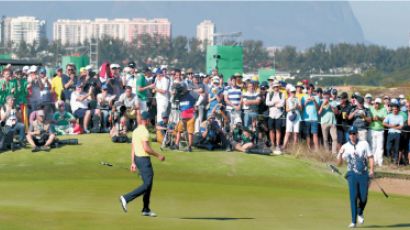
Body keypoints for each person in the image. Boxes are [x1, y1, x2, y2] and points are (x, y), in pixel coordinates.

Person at [119, 111, 165, 216]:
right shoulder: (144, 132)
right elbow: (146, 148)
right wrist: (159, 155)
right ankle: (125, 198)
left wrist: (133, 162)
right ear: (147, 120)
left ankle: (146, 209)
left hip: (137, 159)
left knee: (148, 183)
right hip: (144, 160)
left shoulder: (136, 131)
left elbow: (133, 148)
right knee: (147, 184)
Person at [337, 126, 374, 228]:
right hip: (351, 174)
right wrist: (340, 153)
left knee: (364, 198)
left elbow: (370, 157)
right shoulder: (345, 146)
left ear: (357, 134)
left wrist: (371, 170)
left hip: (363, 174)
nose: (352, 135)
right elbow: (339, 164)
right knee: (353, 197)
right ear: (348, 135)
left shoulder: (364, 144)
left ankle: (360, 212)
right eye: (351, 134)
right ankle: (353, 221)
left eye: (354, 133)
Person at [266, 79, 285, 154]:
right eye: (275, 87)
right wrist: (275, 103)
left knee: (278, 130)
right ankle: (273, 144)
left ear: (278, 87)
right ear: (273, 87)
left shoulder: (282, 94)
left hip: (279, 115)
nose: (276, 88)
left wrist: (274, 104)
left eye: (277, 87)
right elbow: (267, 103)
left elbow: (282, 104)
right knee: (271, 130)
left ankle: (277, 145)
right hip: (271, 114)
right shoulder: (269, 94)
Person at [301, 84, 320, 151]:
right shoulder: (303, 97)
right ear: (307, 90)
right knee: (307, 134)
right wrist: (306, 102)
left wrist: (314, 100)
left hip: (314, 119)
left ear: (313, 90)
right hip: (306, 119)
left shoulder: (317, 97)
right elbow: (301, 108)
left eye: (312, 89)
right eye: (309, 89)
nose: (310, 90)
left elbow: (318, 108)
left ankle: (317, 150)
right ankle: (309, 149)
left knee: (315, 134)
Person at [368, 98, 387, 166]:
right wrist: (373, 119)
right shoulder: (370, 108)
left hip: (380, 130)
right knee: (373, 146)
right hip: (372, 129)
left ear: (380, 104)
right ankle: (373, 162)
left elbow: (385, 118)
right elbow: (368, 118)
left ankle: (380, 163)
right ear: (374, 103)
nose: (376, 104)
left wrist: (379, 118)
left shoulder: (384, 109)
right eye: (375, 103)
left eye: (378, 103)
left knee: (380, 147)